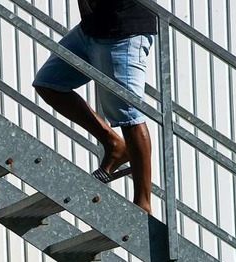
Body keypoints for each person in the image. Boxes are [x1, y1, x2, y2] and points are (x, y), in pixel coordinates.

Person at [33, 0, 157, 214]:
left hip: (122, 31)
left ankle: (143, 204)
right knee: (49, 82)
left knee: (129, 115)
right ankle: (114, 145)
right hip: (91, 28)